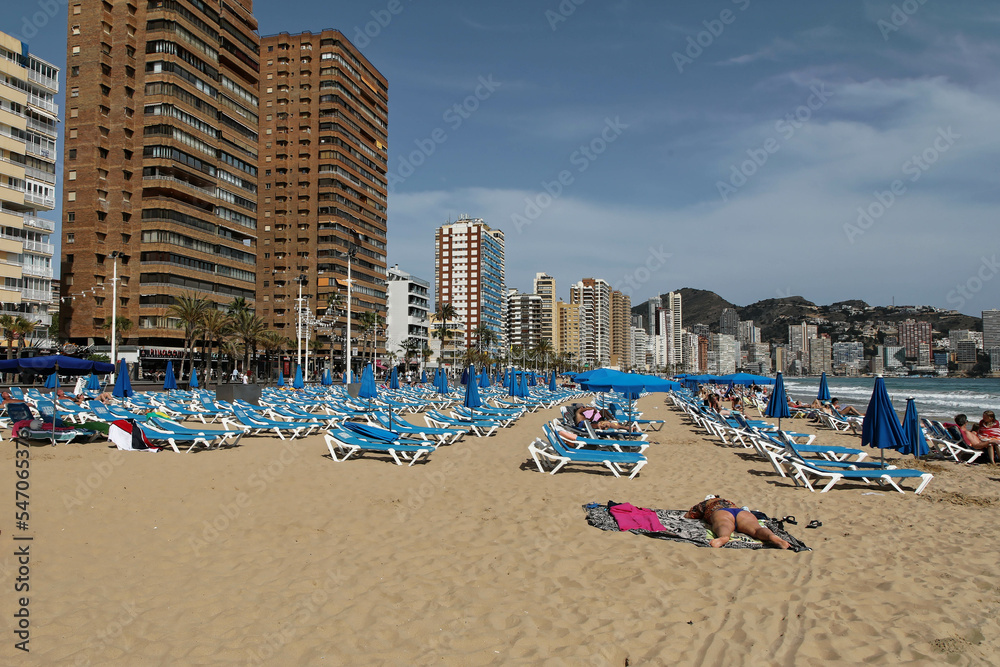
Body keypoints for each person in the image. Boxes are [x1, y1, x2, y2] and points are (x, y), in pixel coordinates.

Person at [685, 496, 790, 549]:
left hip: (721, 512)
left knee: (723, 524)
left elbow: (690, 515)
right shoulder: (729, 502)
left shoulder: (706, 503)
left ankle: (723, 537)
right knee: (756, 529)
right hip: (740, 512)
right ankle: (773, 537)